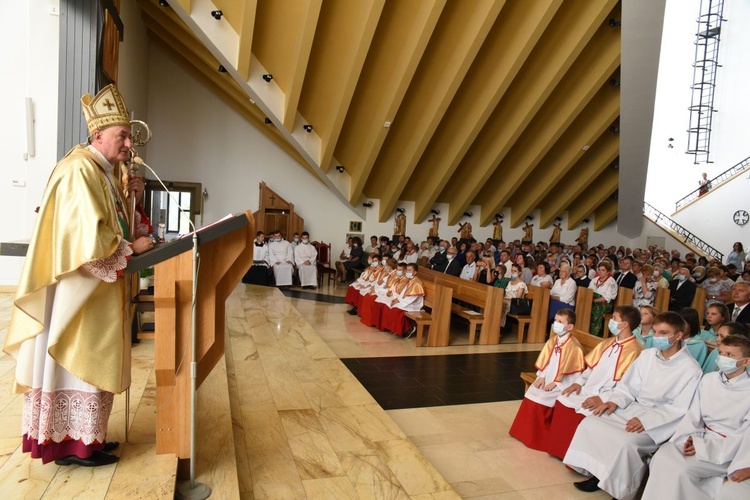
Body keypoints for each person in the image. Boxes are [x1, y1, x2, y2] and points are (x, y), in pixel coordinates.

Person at [4, 84, 155, 466]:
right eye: (121, 136)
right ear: (97, 136)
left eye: (128, 136)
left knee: (92, 364)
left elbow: (116, 225)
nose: (128, 144)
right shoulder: (78, 170)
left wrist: (133, 199)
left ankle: (89, 438)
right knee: (76, 363)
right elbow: (87, 239)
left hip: (96, 294)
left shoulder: (104, 171)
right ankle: (70, 446)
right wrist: (129, 249)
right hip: (78, 295)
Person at [564, 312, 703, 499]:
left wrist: (647, 421)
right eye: (655, 332)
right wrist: (614, 401)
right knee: (591, 422)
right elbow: (628, 386)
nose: (657, 337)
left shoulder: (690, 369)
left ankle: (621, 491)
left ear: (678, 336)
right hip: (634, 407)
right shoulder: (647, 356)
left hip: (659, 420)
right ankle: (597, 475)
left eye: (664, 333)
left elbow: (679, 409)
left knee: (626, 442)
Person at [642, 334, 750, 500]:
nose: (723, 358)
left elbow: (743, 435)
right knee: (662, 457)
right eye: (721, 353)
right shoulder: (709, 380)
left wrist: (703, 446)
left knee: (682, 471)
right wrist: (690, 438)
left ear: (746, 361)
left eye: (730, 355)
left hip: (725, 449)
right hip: (698, 436)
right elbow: (694, 414)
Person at [548, 306, 644, 460]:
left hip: (607, 396)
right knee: (562, 399)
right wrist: (578, 383)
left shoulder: (636, 350)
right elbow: (592, 367)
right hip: (589, 388)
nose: (611, 321)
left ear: (625, 324)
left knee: (583, 412)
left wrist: (604, 399)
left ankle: (574, 458)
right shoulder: (609, 342)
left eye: (614, 318)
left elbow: (628, 385)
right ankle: (557, 450)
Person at [509, 309, 584, 451]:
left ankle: (537, 439)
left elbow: (574, 373)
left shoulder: (574, 347)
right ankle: (523, 433)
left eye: (560, 322)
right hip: (547, 378)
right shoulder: (553, 340)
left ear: (570, 327)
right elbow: (547, 361)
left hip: (562, 383)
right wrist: (541, 377)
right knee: (532, 391)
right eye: (555, 320)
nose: (556, 324)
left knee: (542, 396)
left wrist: (555, 383)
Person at [380, 263, 425, 338]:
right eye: (407, 270)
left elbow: (412, 297)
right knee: (388, 307)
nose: (407, 272)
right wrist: (397, 299)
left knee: (396, 310)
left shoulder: (417, 283)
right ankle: (394, 328)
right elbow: (403, 293)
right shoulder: (409, 280)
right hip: (405, 301)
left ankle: (408, 328)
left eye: (409, 270)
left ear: (415, 272)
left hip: (413, 304)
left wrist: (399, 301)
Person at [588, 261, 618, 337]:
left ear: (608, 272)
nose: (600, 272)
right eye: (599, 270)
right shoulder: (595, 280)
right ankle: (584, 328)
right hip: (593, 299)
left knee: (595, 309)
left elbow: (607, 298)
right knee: (585, 306)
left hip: (605, 303)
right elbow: (588, 291)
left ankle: (594, 333)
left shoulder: (611, 282)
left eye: (603, 270)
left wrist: (594, 301)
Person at [503, 263, 529, 329]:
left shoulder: (521, 284)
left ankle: (499, 328)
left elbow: (518, 299)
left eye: (515, 271)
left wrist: (507, 299)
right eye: (512, 271)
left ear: (519, 272)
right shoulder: (510, 282)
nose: (513, 273)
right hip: (506, 301)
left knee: (501, 306)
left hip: (514, 304)